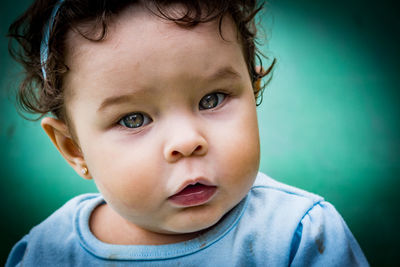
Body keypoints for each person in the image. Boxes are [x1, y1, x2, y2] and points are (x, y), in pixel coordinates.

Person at [6, 0, 368, 266]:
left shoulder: (299, 236)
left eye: (212, 99)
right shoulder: (47, 253)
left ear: (253, 87)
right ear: (74, 149)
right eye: (133, 119)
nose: (186, 141)